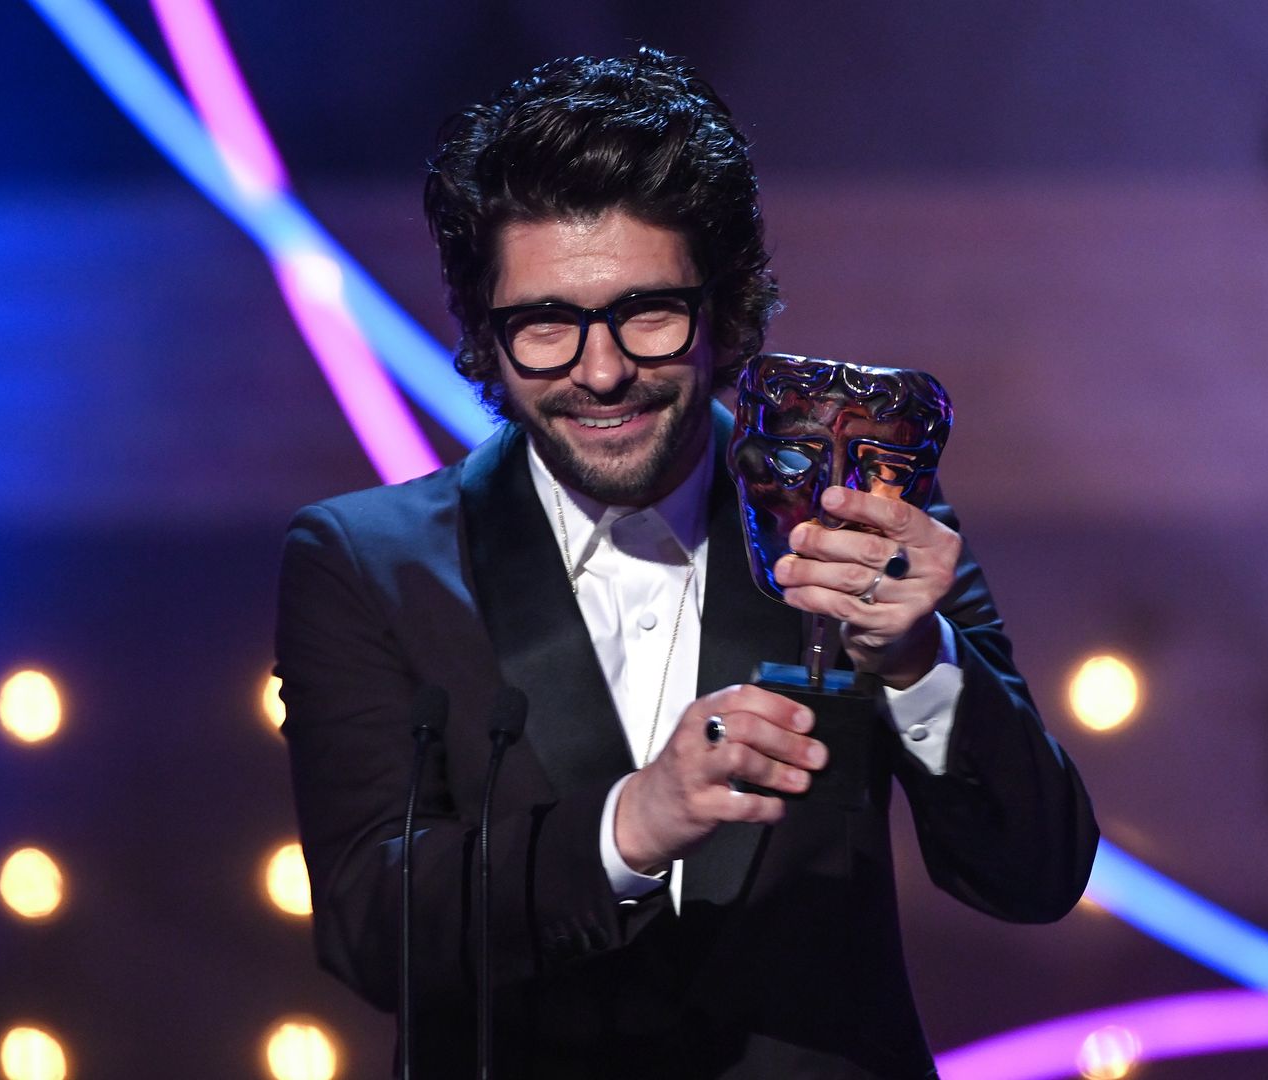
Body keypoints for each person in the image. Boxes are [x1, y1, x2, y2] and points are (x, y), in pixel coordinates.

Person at [275, 46, 1098, 1080]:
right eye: (546, 327)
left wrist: (917, 662)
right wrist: (637, 820)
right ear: (486, 337)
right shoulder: (369, 564)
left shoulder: (853, 521)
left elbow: (1035, 876)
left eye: (646, 313)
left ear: (726, 308)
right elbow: (371, 928)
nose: (603, 369)